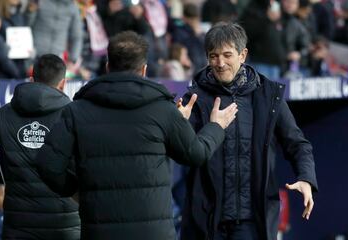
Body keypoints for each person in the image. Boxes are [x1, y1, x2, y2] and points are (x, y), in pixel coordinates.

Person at [35, 31, 238, 240]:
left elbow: (47, 165)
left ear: (107, 67)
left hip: (99, 232)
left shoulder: (76, 110)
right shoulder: (163, 110)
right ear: (144, 70)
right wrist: (216, 126)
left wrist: (79, 191)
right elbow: (196, 153)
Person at [180, 22, 318, 240]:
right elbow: (185, 153)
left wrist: (306, 178)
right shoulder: (194, 99)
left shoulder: (269, 96)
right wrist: (180, 127)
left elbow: (297, 143)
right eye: (213, 56)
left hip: (253, 222)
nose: (220, 63)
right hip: (207, 221)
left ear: (243, 55)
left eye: (227, 55)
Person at [0, 54, 80, 239]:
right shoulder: (77, 116)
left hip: (18, 225)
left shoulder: (2, 115)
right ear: (63, 83)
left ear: (32, 79)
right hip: (66, 226)